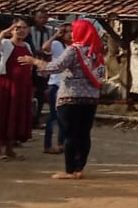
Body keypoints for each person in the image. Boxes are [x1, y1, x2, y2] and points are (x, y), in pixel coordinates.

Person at [31, 18, 106, 179]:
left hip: (70, 97)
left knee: (70, 134)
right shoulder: (97, 52)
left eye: (74, 30)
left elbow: (55, 67)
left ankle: (69, 170)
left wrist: (35, 61)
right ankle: (79, 168)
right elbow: (101, 75)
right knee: (84, 133)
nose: (71, 34)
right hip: (91, 98)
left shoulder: (74, 50)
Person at [0, 18, 37, 161]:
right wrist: (3, 33)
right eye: (18, 27)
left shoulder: (27, 45)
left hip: (22, 87)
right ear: (12, 29)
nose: (21, 30)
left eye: (24, 28)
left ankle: (9, 149)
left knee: (15, 117)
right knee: (2, 115)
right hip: (7, 85)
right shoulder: (7, 43)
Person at [41, 23, 70, 154]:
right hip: (55, 84)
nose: (70, 34)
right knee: (53, 116)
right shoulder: (57, 45)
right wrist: (55, 35)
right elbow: (45, 48)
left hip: (66, 86)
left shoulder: (72, 47)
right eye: (67, 32)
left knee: (64, 117)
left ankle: (60, 143)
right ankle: (48, 145)